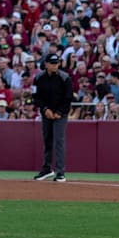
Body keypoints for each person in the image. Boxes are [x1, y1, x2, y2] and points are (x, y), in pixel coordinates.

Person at [32, 54, 73, 182]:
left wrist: (59, 112)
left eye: (56, 63)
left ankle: (60, 172)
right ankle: (47, 169)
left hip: (60, 114)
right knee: (47, 140)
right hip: (46, 113)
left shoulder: (65, 78)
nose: (55, 65)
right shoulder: (38, 78)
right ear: (46, 64)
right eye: (52, 63)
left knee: (59, 141)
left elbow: (68, 98)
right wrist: (45, 109)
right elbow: (36, 96)